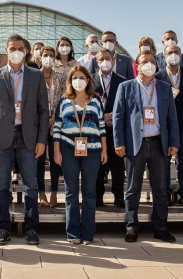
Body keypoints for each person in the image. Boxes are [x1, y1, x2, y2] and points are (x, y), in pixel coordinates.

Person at [0, 34, 50, 246]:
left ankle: (31, 229)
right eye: (12, 48)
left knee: (31, 185)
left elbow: (43, 110)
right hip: (2, 138)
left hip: (28, 137)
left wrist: (42, 140)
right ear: (6, 49)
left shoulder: (35, 75)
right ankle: (3, 228)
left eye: (20, 48)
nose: (16, 51)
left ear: (26, 50)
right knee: (2, 185)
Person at [114, 50, 180, 243]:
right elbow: (118, 117)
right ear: (137, 65)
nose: (149, 64)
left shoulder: (165, 87)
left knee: (160, 188)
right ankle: (132, 227)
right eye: (145, 61)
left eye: (152, 61)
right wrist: (119, 142)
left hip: (159, 143)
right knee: (133, 188)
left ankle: (160, 227)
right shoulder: (126, 87)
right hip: (136, 144)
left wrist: (174, 142)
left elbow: (172, 118)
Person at [52, 65, 107, 244]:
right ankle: (73, 233)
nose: (78, 81)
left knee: (90, 193)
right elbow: (57, 128)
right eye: (74, 77)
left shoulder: (96, 101)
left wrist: (104, 150)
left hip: (92, 150)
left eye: (81, 77)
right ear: (70, 81)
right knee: (71, 192)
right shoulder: (64, 101)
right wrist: (57, 150)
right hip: (68, 149)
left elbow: (102, 127)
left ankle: (88, 233)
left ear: (88, 80)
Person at [155, 44, 183, 207]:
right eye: (169, 53)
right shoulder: (158, 76)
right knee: (165, 159)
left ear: (181, 55)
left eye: (176, 52)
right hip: (165, 125)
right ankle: (165, 192)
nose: (173, 55)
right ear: (164, 57)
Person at [92, 47, 126, 207]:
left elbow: (126, 104)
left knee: (117, 163)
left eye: (107, 58)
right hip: (96, 128)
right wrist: (101, 117)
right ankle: (98, 194)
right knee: (98, 163)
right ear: (97, 62)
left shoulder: (122, 81)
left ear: (113, 60)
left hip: (116, 128)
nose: (104, 61)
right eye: (101, 59)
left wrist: (113, 116)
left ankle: (118, 194)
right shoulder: (90, 80)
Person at [37, 45, 65, 207]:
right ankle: (41, 193)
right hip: (38, 123)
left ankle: (54, 192)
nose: (48, 58)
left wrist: (55, 117)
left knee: (56, 158)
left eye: (51, 55)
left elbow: (64, 98)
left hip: (56, 121)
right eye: (45, 55)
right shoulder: (34, 76)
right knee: (39, 159)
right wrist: (41, 118)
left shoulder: (60, 76)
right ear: (40, 58)